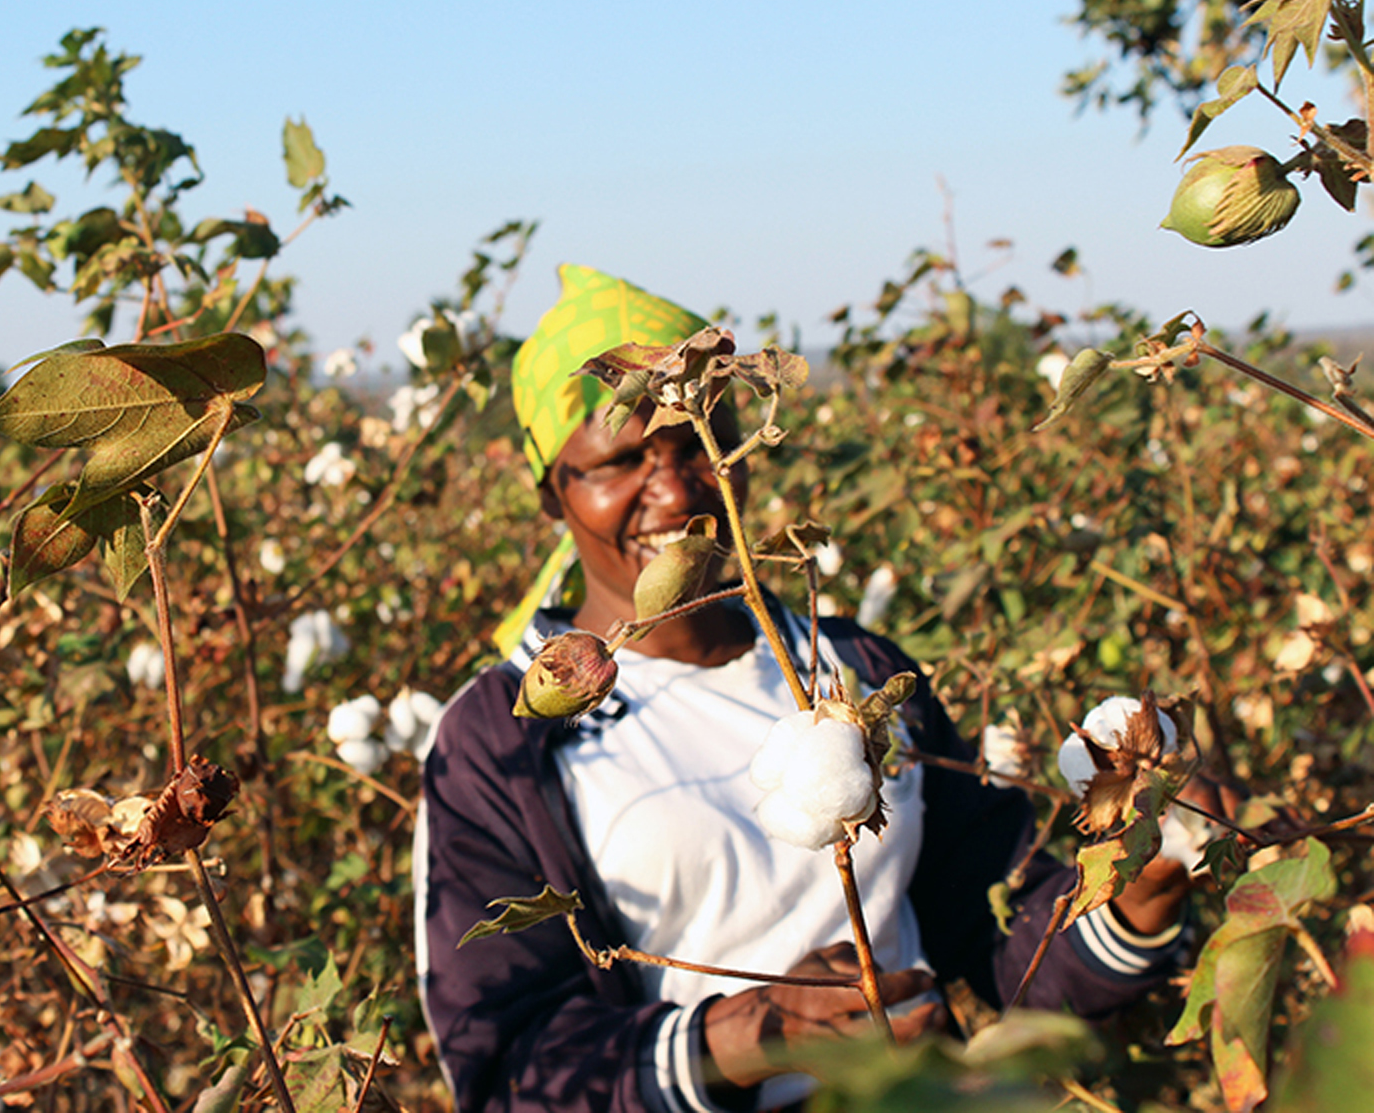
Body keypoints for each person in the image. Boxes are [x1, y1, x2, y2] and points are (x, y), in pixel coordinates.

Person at [413, 264, 1196, 1113]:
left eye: (697, 442)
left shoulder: (853, 665)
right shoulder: (500, 735)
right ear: (550, 493)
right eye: (621, 461)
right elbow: (504, 1070)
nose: (674, 491)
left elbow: (997, 936)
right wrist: (747, 1036)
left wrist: (1136, 889)